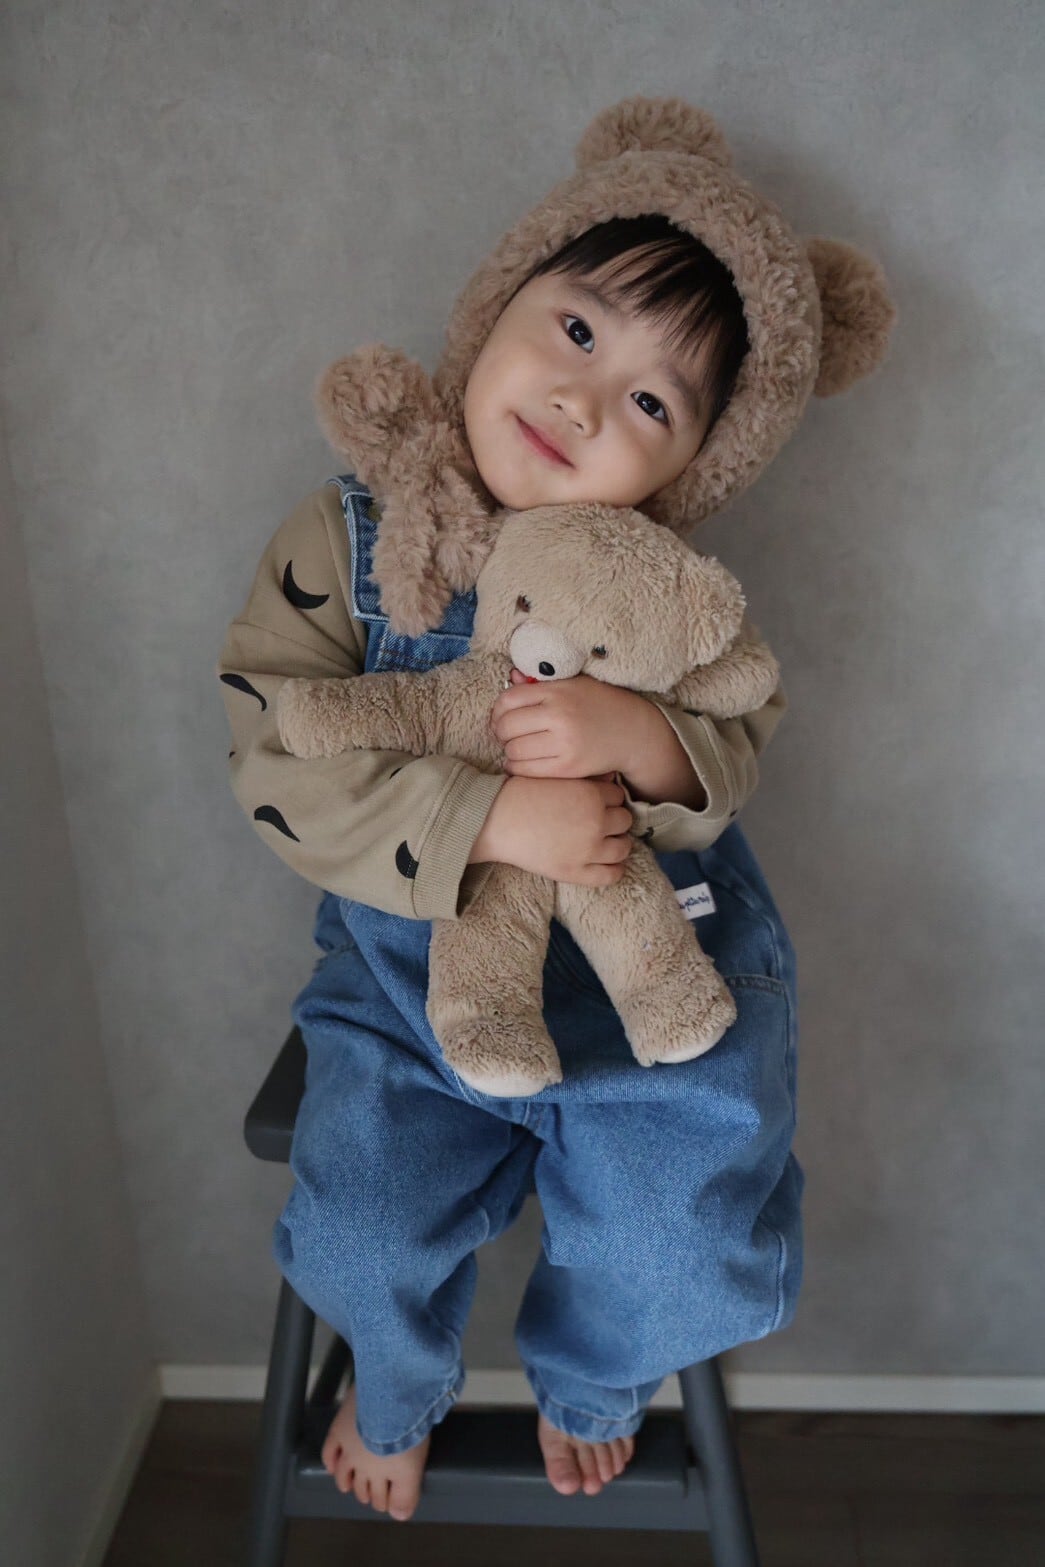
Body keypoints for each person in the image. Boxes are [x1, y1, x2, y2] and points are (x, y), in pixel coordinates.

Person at [218, 96, 895, 1523]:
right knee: (359, 1220)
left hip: (645, 971)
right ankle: (392, 1386)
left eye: (651, 404)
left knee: (676, 1236)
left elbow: (740, 737)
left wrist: (643, 739)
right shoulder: (350, 541)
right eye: (576, 330)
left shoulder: (668, 592)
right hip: (409, 979)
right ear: (495, 308)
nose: (585, 401)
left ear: (695, 464)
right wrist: (486, 821)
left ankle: (593, 1382)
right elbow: (281, 753)